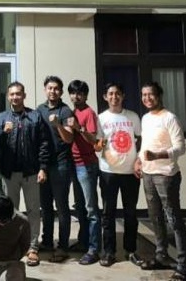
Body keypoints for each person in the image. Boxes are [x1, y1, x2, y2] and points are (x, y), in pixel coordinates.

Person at [135, 81, 186, 281]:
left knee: (174, 219)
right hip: (148, 174)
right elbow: (145, 145)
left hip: (166, 175)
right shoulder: (145, 118)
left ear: (159, 95)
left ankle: (183, 266)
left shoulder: (170, 118)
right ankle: (161, 256)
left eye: (150, 94)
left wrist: (158, 155)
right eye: (144, 95)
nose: (147, 98)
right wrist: (139, 160)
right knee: (155, 218)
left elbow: (181, 147)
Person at [0, 81, 50, 267]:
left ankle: (32, 248)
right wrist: (3, 132)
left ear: (24, 95)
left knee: (33, 211)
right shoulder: (1, 118)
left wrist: (43, 167)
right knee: (10, 212)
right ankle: (12, 246)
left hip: (31, 172)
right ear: (8, 97)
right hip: (9, 174)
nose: (15, 97)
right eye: (12, 94)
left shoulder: (35, 116)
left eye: (18, 94)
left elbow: (44, 143)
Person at [96, 83, 144, 267]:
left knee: (130, 213)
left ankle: (130, 250)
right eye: (110, 94)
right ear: (105, 97)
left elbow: (140, 139)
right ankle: (109, 252)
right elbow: (97, 144)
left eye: (117, 94)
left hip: (130, 172)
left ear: (123, 96)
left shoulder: (133, 116)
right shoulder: (101, 118)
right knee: (108, 214)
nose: (114, 97)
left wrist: (138, 159)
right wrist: (98, 145)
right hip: (108, 171)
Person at [36, 76, 74, 262]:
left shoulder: (65, 111)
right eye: (50, 88)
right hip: (44, 164)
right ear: (45, 90)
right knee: (45, 206)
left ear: (61, 91)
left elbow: (69, 138)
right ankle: (47, 241)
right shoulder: (40, 109)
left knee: (62, 206)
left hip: (61, 164)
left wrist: (58, 124)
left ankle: (63, 246)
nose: (53, 91)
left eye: (56, 88)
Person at [67, 79, 102, 265]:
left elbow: (93, 140)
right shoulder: (71, 111)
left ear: (86, 95)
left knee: (91, 209)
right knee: (80, 206)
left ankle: (94, 249)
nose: (76, 96)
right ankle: (84, 241)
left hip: (86, 165)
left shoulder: (89, 113)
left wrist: (78, 128)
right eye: (73, 93)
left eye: (80, 93)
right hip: (73, 164)